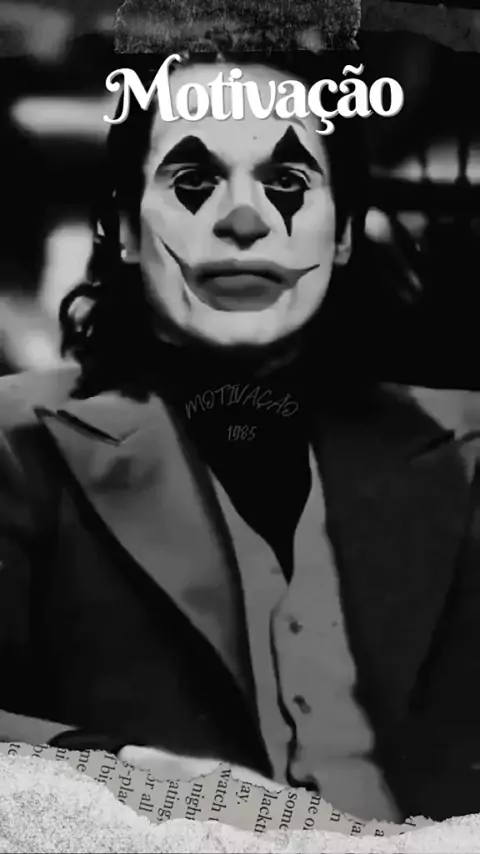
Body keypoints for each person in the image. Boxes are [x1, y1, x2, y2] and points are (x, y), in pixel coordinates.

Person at [0, 45, 479, 824]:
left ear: (344, 231)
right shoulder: (17, 438)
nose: (245, 219)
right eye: (193, 183)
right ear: (124, 229)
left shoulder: (466, 445)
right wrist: (123, 770)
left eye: (287, 184)